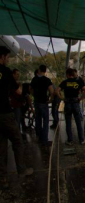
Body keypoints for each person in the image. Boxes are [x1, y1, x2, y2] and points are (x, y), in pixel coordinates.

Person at [0, 46, 33, 188]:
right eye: (7, 57)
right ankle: (22, 170)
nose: (8, 59)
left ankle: (2, 179)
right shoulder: (6, 71)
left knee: (1, 145)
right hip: (5, 112)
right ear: (2, 57)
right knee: (17, 141)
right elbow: (18, 91)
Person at [57, 68, 85, 145]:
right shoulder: (78, 81)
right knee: (78, 122)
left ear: (67, 74)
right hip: (76, 102)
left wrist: (62, 98)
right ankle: (81, 139)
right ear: (73, 74)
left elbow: (57, 90)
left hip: (67, 103)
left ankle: (70, 140)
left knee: (68, 122)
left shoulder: (64, 82)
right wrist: (81, 98)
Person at [30, 64, 54, 146]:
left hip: (36, 102)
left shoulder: (34, 79)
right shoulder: (47, 80)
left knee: (38, 120)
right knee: (46, 121)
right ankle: (45, 140)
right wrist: (50, 99)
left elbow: (30, 89)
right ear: (45, 70)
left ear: (39, 70)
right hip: (44, 102)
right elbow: (51, 91)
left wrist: (34, 95)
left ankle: (39, 137)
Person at [10, 69, 25, 133]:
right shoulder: (14, 84)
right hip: (15, 104)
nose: (18, 76)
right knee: (17, 121)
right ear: (13, 74)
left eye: (19, 75)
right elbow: (19, 92)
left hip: (15, 104)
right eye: (17, 74)